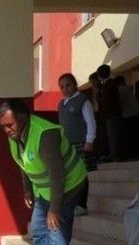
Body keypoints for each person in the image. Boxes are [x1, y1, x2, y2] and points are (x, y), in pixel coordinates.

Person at [0, 98, 88, 245]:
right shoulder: (16, 136)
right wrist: (27, 189)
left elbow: (57, 174)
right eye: (3, 126)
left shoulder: (45, 134)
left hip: (68, 185)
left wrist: (54, 209)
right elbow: (23, 163)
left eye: (10, 125)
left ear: (23, 117)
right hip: (44, 190)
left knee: (56, 231)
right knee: (38, 229)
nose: (7, 130)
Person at [58, 73, 97, 217]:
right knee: (71, 175)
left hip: (81, 143)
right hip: (67, 145)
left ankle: (81, 205)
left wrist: (89, 140)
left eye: (68, 85)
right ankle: (72, 203)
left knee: (81, 174)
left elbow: (90, 121)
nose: (65, 89)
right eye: (62, 87)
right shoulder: (61, 104)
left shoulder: (83, 101)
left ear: (75, 84)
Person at [95, 64, 125, 162]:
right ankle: (115, 155)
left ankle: (115, 155)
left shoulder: (107, 85)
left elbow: (105, 101)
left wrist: (102, 114)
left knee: (113, 136)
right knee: (113, 135)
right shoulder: (111, 84)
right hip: (113, 114)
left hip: (110, 114)